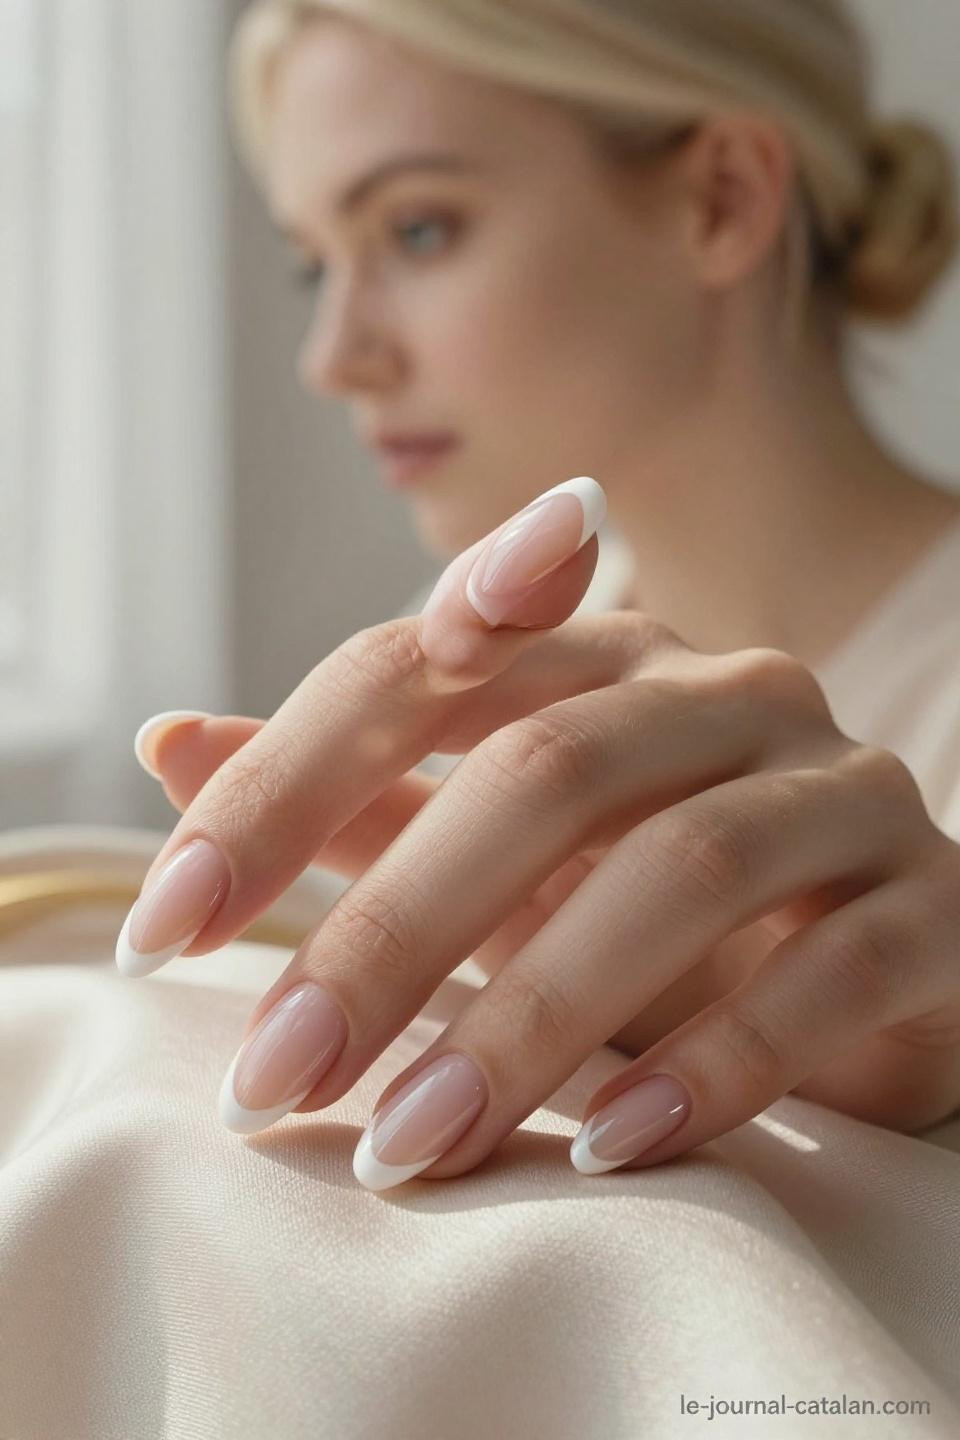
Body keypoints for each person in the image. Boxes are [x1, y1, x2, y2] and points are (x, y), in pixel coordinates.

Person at [4, 5, 960, 1435]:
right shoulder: (486, 699)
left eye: (420, 230)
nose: (335, 354)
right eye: (312, 261)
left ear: (722, 200)